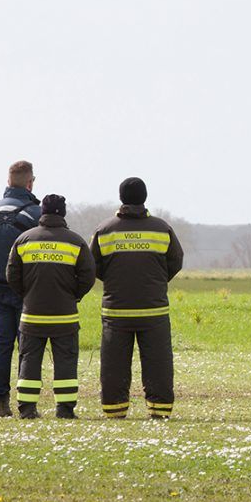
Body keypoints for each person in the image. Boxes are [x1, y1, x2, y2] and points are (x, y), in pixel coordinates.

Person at [90, 177, 184, 419]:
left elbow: (94, 266)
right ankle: (160, 411)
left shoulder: (104, 230)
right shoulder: (162, 228)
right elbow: (175, 262)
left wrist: (114, 281)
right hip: (154, 311)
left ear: (121, 198)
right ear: (144, 197)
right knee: (158, 363)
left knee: (113, 363)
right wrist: (155, 282)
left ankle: (115, 410)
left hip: (115, 311)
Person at [6, 194, 96, 419]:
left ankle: (27, 408)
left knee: (29, 359)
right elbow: (88, 276)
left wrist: (28, 295)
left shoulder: (24, 240)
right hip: (65, 316)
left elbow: (12, 275)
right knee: (66, 361)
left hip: (31, 315)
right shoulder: (75, 242)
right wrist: (73, 295)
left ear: (41, 213)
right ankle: (64, 410)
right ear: (63, 213)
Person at [0, 160, 42, 417]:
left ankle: (0, 400)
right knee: (28, 344)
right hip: (27, 289)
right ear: (30, 182)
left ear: (8, 182)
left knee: (1, 343)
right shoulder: (36, 214)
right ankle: (27, 403)